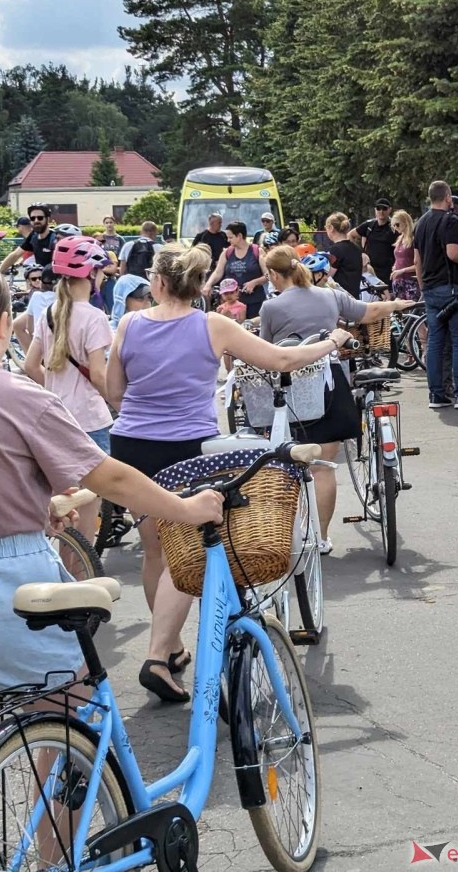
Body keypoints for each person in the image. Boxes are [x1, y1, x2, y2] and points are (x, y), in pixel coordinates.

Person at [0, 259, 223, 814]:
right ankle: (55, 851)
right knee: (75, 732)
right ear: (3, 323)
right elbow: (111, 479)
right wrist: (186, 508)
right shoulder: (17, 396)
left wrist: (30, 506)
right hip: (2, 584)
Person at [108, 244, 354, 701]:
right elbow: (281, 360)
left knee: (156, 551)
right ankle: (160, 654)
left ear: (157, 282)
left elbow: (115, 391)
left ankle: (171, 649)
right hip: (187, 447)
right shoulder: (212, 325)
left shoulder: (129, 324)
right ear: (197, 285)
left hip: (132, 444)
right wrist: (332, 341)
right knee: (188, 552)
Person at [260, 246, 413, 548]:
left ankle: (297, 535)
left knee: (292, 464)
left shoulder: (271, 307)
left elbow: (266, 351)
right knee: (323, 466)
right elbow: (369, 311)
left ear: (274, 274)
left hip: (293, 388)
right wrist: (396, 304)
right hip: (329, 383)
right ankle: (322, 537)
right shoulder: (330, 295)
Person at [23, 235, 115, 546]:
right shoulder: (95, 317)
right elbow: (99, 375)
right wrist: (120, 402)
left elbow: (31, 365)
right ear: (91, 273)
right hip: (90, 420)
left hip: (56, 418)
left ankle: (63, 570)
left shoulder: (49, 312)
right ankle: (81, 573)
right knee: (86, 514)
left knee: (63, 510)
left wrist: (53, 391)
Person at [413, 180, 458, 409]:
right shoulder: (450, 220)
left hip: (431, 289)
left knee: (435, 342)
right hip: (453, 288)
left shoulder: (420, 223)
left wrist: (424, 287)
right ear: (447, 197)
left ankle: (436, 394)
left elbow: (417, 260)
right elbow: (453, 253)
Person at [204, 221, 267, 319]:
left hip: (254, 301)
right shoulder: (227, 252)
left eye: (230, 237)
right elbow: (218, 272)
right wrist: (208, 284)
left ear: (239, 236)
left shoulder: (257, 251)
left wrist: (255, 282)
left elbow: (268, 274)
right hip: (231, 303)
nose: (228, 240)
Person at [0, 203, 56, 273]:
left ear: (48, 219)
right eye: (32, 218)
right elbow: (15, 254)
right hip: (39, 278)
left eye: (40, 218)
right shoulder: (33, 236)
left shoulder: (55, 238)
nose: (36, 220)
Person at [356, 198, 398, 285]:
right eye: (378, 209)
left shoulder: (394, 227)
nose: (381, 211)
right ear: (375, 210)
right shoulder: (369, 225)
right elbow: (351, 235)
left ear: (389, 210)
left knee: (386, 292)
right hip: (370, 270)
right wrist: (360, 253)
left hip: (388, 271)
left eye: (384, 209)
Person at [325, 212, 364, 296]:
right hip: (355, 296)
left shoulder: (335, 250)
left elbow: (327, 276)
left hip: (341, 297)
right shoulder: (356, 248)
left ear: (331, 228)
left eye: (326, 228)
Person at [389, 210, 420, 302]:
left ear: (405, 222)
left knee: (411, 305)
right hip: (398, 280)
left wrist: (402, 270)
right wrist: (395, 266)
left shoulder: (414, 239)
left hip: (411, 280)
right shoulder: (399, 239)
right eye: (393, 226)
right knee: (399, 306)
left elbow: (419, 263)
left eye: (397, 224)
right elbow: (398, 258)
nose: (395, 228)